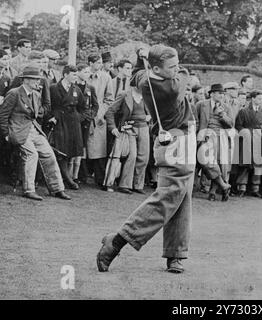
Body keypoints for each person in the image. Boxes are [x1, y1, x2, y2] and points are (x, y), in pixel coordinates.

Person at [96, 44, 197, 274]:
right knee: (167, 198)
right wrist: (150, 60)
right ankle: (117, 240)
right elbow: (184, 76)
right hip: (175, 142)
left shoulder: (144, 78)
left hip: (182, 139)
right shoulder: (169, 87)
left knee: (182, 198)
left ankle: (175, 254)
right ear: (158, 70)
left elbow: (138, 72)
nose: (177, 68)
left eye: (177, 63)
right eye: (171, 66)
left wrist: (142, 60)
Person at [0, 65, 70, 201]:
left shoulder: (36, 95)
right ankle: (29, 189)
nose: (38, 82)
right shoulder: (14, 93)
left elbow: (38, 113)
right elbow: (3, 115)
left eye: (38, 79)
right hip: (18, 130)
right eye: (34, 79)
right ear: (25, 80)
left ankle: (57, 188)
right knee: (32, 154)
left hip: (33, 129)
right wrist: (6, 134)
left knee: (49, 154)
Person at [105, 82, 151, 194]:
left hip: (144, 128)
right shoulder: (125, 94)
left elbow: (153, 112)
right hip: (129, 128)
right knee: (132, 156)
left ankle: (138, 185)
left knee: (144, 157)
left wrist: (150, 117)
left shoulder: (148, 96)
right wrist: (113, 127)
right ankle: (124, 185)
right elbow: (110, 112)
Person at [49, 65, 86, 190]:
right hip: (59, 121)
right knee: (61, 150)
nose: (76, 77)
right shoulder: (53, 88)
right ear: (65, 75)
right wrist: (53, 116)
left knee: (71, 150)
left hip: (73, 122)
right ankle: (67, 179)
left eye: (76, 74)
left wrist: (78, 118)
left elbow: (82, 107)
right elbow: (49, 104)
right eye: (73, 74)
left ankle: (66, 178)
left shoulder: (77, 90)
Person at [195, 83, 233, 201]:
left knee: (219, 163)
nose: (221, 95)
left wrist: (222, 115)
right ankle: (223, 185)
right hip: (205, 137)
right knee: (207, 161)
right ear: (212, 94)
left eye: (222, 93)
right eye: (219, 93)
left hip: (220, 137)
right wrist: (198, 135)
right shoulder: (201, 105)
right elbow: (196, 121)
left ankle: (212, 191)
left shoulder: (226, 107)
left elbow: (231, 124)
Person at [235, 89, 262, 199]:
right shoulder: (243, 111)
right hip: (246, 140)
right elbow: (238, 125)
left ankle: (255, 188)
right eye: (259, 98)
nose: (261, 100)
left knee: (258, 165)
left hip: (259, 140)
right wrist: (245, 134)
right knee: (245, 165)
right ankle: (242, 188)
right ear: (253, 98)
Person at [86, 54, 114, 188]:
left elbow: (109, 99)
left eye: (101, 63)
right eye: (97, 63)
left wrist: (100, 114)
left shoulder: (106, 77)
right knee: (83, 146)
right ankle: (80, 176)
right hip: (83, 114)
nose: (100, 65)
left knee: (99, 148)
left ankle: (100, 179)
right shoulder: (84, 74)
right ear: (90, 63)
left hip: (99, 116)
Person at [75, 63, 99, 184]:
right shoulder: (73, 86)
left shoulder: (90, 88)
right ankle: (73, 174)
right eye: (84, 72)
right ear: (78, 72)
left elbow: (95, 105)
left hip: (86, 122)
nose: (87, 74)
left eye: (88, 72)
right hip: (74, 121)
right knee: (74, 145)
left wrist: (91, 115)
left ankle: (82, 175)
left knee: (83, 146)